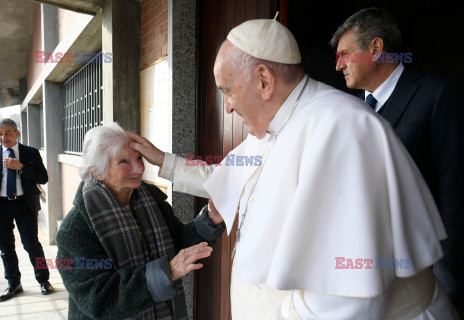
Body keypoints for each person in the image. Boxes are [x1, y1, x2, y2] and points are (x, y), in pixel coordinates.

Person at [128, 16, 460, 319]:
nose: (227, 107)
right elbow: (230, 180)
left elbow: (346, 300)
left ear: (263, 80)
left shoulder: (341, 128)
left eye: (227, 91)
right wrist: (163, 161)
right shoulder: (272, 127)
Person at [330, 8, 464, 313]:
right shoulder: (347, 110)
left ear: (376, 49)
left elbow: (454, 193)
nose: (338, 66)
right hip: (365, 276)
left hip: (425, 275)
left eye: (345, 54)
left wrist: (447, 278)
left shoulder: (438, 95)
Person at [56, 123, 225, 319]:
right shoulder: (74, 231)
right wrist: (166, 272)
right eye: (123, 162)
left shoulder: (151, 201)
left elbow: (179, 245)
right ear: (97, 171)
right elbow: (100, 300)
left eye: (138, 157)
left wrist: (211, 219)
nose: (139, 168)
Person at [0, 118, 54, 302]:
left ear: (16, 133)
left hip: (24, 204)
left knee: (32, 245)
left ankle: (44, 281)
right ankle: (14, 284)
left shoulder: (30, 153)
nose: (2, 137)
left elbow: (43, 178)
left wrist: (21, 167)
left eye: (7, 133)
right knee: (6, 248)